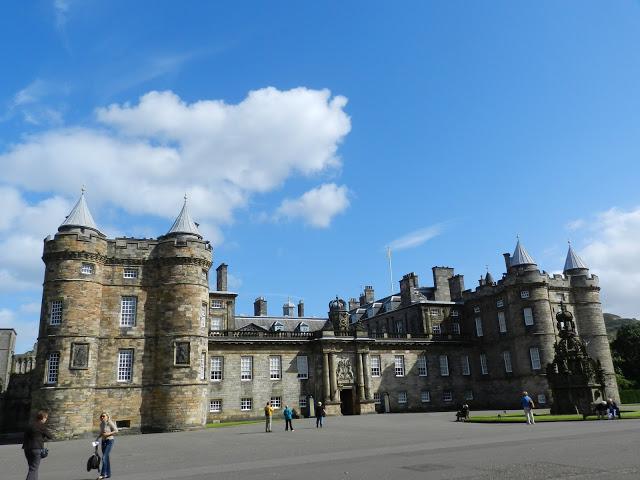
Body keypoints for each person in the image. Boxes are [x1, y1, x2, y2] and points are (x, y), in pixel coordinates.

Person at [22, 409, 52, 480]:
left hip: (27, 449)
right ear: (43, 417)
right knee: (33, 469)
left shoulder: (30, 425)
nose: (46, 420)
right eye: (46, 418)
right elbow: (50, 436)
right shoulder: (41, 426)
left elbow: (25, 436)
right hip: (36, 449)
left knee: (32, 468)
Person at [96, 412, 118, 480]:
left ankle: (102, 474)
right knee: (106, 458)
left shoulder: (110, 423)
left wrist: (108, 434)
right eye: (101, 416)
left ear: (107, 417)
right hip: (103, 442)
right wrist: (97, 439)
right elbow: (102, 433)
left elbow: (116, 430)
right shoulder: (101, 424)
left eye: (103, 416)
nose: (102, 417)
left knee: (104, 457)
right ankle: (108, 474)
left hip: (109, 441)